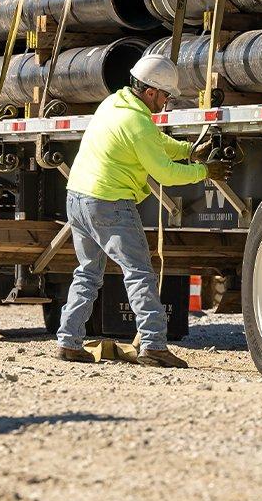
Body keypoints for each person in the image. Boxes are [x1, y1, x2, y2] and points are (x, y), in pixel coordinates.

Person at [56, 54, 228, 367]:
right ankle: (153, 346)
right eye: (166, 96)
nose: (166, 103)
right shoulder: (136, 123)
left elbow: (154, 141)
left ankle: (68, 342)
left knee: (88, 273)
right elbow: (165, 174)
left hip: (78, 199)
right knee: (138, 274)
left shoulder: (114, 104)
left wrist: (189, 151)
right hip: (109, 203)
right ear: (150, 92)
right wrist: (206, 172)